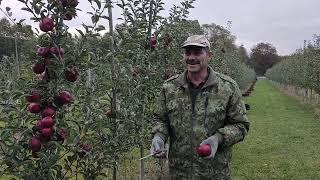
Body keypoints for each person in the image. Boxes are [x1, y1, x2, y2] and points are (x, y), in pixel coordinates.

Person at [150, 35, 250, 179]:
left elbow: (241, 125)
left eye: (197, 52)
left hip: (214, 173)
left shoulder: (227, 87)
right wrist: (159, 136)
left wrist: (218, 138)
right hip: (179, 173)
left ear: (209, 56)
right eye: (188, 53)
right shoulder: (169, 87)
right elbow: (160, 119)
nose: (191, 57)